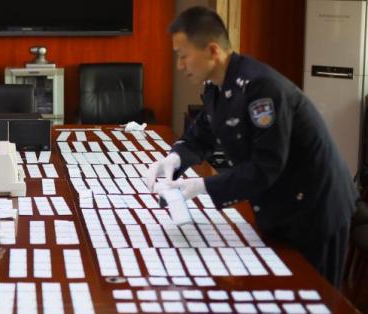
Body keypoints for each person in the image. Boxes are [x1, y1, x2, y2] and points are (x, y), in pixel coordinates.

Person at [147, 6, 358, 287]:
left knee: (315, 299)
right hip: (280, 203)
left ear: (212, 50)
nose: (180, 66)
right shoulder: (216, 86)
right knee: (282, 296)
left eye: (183, 56)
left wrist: (202, 187)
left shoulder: (261, 88)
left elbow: (266, 167)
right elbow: (201, 135)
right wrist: (175, 157)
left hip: (314, 207)